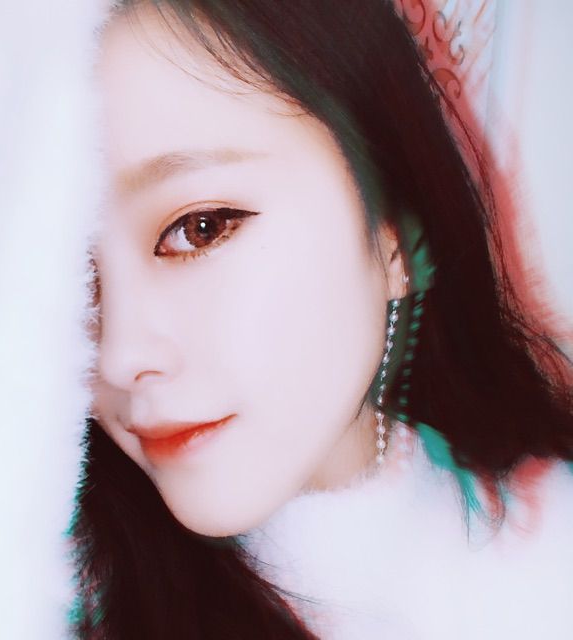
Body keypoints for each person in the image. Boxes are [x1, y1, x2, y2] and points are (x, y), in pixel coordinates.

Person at [70, 1, 573, 638]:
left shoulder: (548, 554)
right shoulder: (25, 593)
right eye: (70, 280)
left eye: (199, 228)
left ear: (394, 235)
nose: (117, 357)